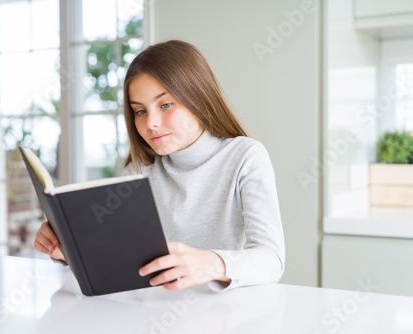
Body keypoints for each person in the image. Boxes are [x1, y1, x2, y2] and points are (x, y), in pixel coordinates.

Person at [34, 40, 285, 293]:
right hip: (152, 312)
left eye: (165, 105)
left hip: (224, 314)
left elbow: (272, 259)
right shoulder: (138, 169)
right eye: (140, 111)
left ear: (199, 98)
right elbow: (121, 254)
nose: (151, 123)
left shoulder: (246, 156)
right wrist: (68, 249)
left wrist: (210, 264)